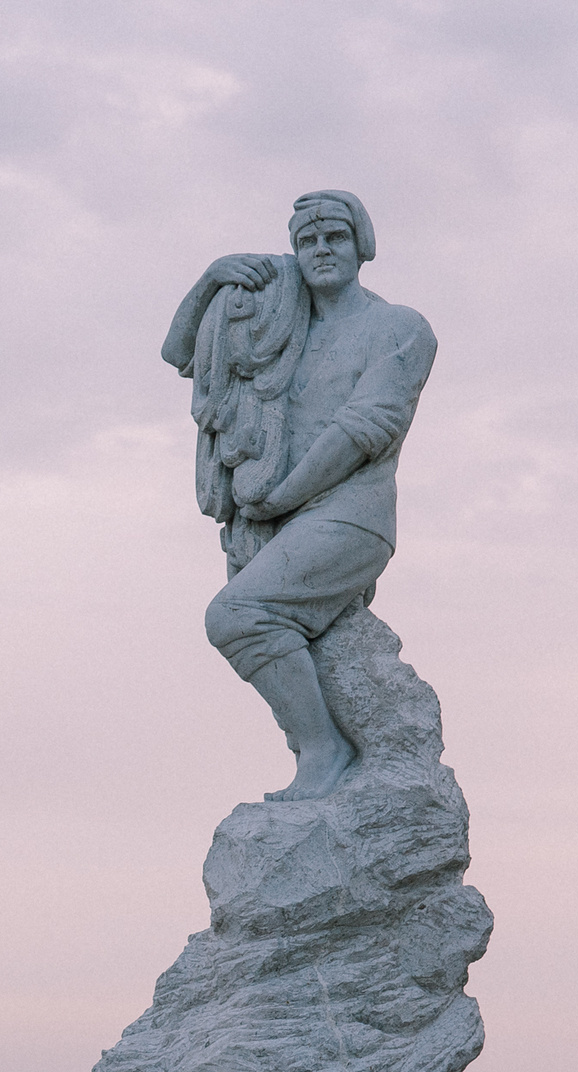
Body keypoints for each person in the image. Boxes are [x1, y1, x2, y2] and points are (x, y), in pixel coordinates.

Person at [159, 190, 438, 803]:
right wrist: (210, 281)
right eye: (306, 241)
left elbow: (364, 429)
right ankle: (322, 748)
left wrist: (283, 495)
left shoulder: (399, 328)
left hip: (350, 515)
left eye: (334, 237)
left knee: (236, 614)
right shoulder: (279, 322)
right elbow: (181, 355)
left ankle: (323, 749)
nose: (320, 250)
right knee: (264, 625)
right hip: (276, 520)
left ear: (362, 246)